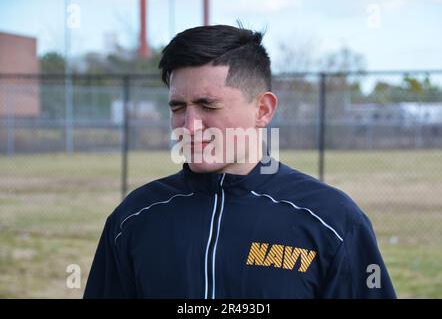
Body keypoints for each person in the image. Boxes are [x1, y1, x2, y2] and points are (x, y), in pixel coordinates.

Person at [84, 25, 396, 299]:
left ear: (263, 110)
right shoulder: (134, 219)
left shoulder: (332, 221)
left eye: (208, 105)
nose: (189, 125)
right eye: (178, 106)